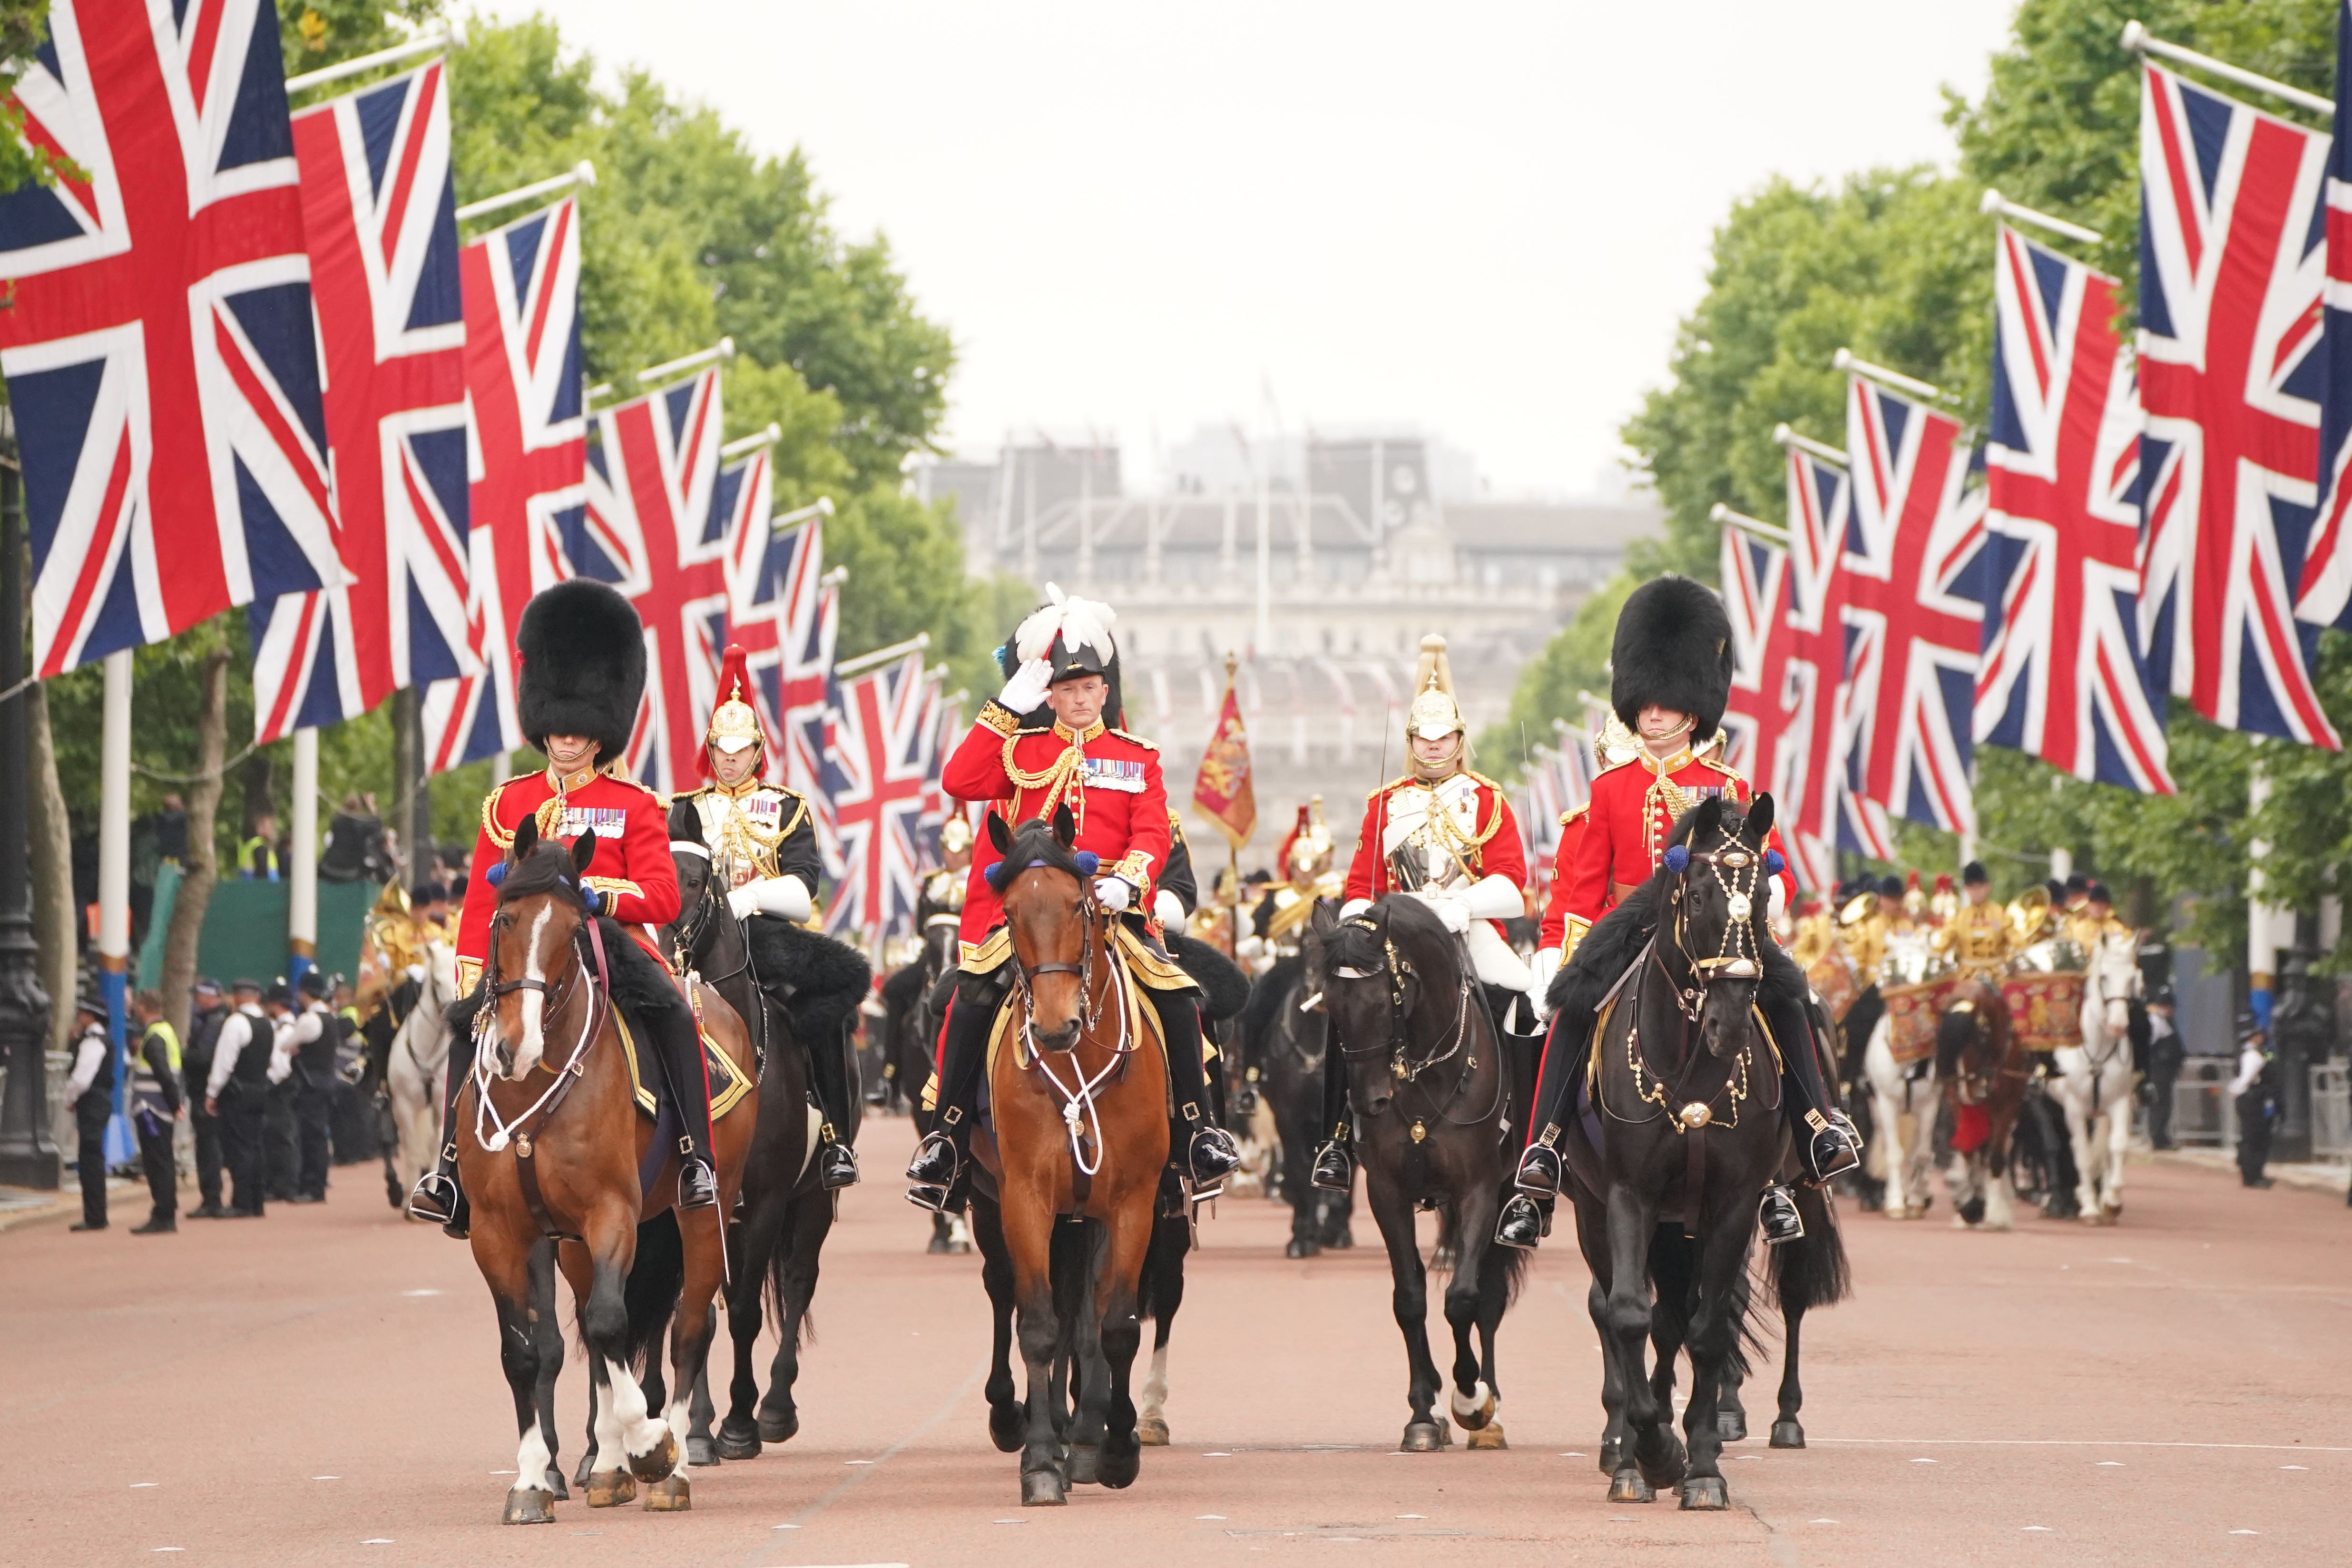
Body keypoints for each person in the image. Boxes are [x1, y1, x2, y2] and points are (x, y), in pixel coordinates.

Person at [1501, 575, 1858, 1251]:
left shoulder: (1730, 789)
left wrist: (1766, 901)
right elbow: (1582, 887)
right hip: (1632, 930)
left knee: (1793, 1000)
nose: (1654, 715)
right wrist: (1562, 954)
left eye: (1668, 704)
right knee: (1571, 1013)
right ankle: (1542, 1154)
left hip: (1722, 927)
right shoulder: (1611, 789)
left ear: (1694, 710)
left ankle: (1813, 1133)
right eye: (1646, 704)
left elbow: (1771, 864)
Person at [906, 586, 1244, 1209]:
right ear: (1050, 695)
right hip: (1038, 915)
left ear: (1104, 693)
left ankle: (1199, 1131)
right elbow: (958, 779)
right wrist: (1003, 708)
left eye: (1089, 689)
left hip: (1114, 912)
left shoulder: (1136, 758)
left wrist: (1131, 879)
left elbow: (1150, 831)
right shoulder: (1020, 750)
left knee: (1178, 997)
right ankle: (948, 1139)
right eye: (1067, 690)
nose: (1080, 700)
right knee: (971, 996)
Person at [408, 578, 715, 1235]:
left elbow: (661, 894)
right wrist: (472, 975)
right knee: (467, 1033)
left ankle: (695, 1158)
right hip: (523, 954)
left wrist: (602, 896)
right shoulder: (509, 804)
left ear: (602, 730)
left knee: (673, 1015)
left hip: (611, 945)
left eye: (579, 728)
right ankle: (449, 1170)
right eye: (557, 725)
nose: (567, 738)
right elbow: (479, 903)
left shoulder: (638, 805)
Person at [1308, 635, 1533, 1197]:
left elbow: (1513, 884)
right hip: (1395, 936)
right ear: (1411, 743)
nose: (1434, 748)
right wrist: (1367, 919)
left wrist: (1462, 904)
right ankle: (1337, 1135)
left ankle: (1533, 1139)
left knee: (1526, 1005)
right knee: (1350, 1010)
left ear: (1460, 741)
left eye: (1445, 739)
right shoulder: (1384, 802)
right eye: (1424, 740)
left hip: (1469, 928)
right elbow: (1361, 884)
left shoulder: (1488, 798)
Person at [677, 644, 863, 1190]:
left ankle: (833, 1135)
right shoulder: (682, 807)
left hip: (763, 933)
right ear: (709, 750)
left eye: (741, 749)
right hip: (692, 937)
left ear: (758, 749)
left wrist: (748, 899)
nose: (730, 759)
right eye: (721, 749)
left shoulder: (787, 805)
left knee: (844, 983)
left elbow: (804, 886)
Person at [205, 979, 273, 1216]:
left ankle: (241, 1202)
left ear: (237, 997)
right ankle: (256, 1201)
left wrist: (212, 1093)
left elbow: (224, 1062)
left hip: (238, 1093)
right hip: (260, 1090)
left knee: (238, 1148)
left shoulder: (236, 1023)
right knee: (255, 1146)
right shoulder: (266, 1024)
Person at [126, 989, 184, 1234]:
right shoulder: (166, 1031)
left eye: (137, 1006)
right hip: (161, 1108)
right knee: (164, 1160)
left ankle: (163, 1214)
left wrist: (174, 1104)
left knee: (156, 1161)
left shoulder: (153, 1038)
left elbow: (163, 1074)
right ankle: (166, 1208)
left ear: (143, 1007)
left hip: (151, 1109)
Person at [64, 989, 115, 1232]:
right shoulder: (98, 1039)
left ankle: (95, 1216)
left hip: (92, 1102)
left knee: (91, 1159)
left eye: (83, 1013)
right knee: (92, 1157)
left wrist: (69, 1097)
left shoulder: (93, 1041)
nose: (79, 1016)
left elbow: (82, 1078)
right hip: (99, 1101)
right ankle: (96, 1214)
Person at [286, 970, 337, 1202]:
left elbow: (286, 1045)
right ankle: (316, 1184)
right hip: (325, 1082)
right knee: (318, 1136)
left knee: (310, 1137)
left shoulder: (309, 1019)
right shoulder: (330, 1017)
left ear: (304, 993)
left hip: (309, 1085)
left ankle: (311, 1187)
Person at [182, 979, 231, 1218]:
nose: (195, 1000)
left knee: (208, 1146)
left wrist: (183, 1055)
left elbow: (203, 1057)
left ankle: (212, 1198)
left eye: (199, 995)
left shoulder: (213, 1022)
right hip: (210, 1090)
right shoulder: (216, 1019)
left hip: (206, 1090)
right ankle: (212, 1196)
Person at [1933, 861, 2012, 979]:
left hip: (1998, 977)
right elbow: (1942, 946)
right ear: (1966, 889)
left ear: (1988, 887)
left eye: (1980, 887)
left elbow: (2017, 944)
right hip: (1966, 977)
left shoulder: (2000, 915)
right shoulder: (1958, 918)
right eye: (1972, 888)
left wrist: (2010, 961)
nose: (1977, 892)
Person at [260, 980, 302, 1200]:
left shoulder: (284, 1031)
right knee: (281, 1137)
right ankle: (282, 1183)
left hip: (280, 1089)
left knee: (281, 1138)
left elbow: (280, 1066)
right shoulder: (289, 1027)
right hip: (285, 1089)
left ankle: (284, 1185)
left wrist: (268, 1084)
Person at [2230, 1015, 2277, 1189]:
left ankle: (2252, 1172)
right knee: (2255, 1138)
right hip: (2253, 1100)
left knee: (2253, 1137)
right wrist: (2238, 1090)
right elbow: (2246, 1079)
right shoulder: (2253, 1055)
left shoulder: (2251, 1053)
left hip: (2249, 1099)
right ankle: (2252, 1175)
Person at [2144, 987, 2184, 1150]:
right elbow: (2149, 1046)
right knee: (2159, 1103)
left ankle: (2161, 1136)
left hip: (2167, 1071)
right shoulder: (2156, 1022)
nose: (2169, 1009)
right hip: (2159, 1070)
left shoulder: (2166, 1022)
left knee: (2165, 1103)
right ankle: (2158, 1138)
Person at [240, 812, 281, 882]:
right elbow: (262, 872)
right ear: (259, 828)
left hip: (248, 886)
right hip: (262, 888)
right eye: (269, 827)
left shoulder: (252, 844)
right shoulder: (260, 846)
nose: (271, 831)